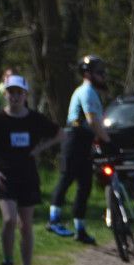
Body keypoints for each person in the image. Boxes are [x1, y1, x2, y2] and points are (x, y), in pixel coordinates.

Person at [0, 75, 60, 265]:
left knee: (26, 225)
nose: (15, 97)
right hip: (5, 177)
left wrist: (39, 149)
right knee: (9, 220)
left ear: (25, 95)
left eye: (19, 93)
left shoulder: (35, 119)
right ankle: (7, 263)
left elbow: (60, 134)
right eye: (11, 92)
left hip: (28, 176)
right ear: (5, 95)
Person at [47, 55, 111, 243]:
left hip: (84, 140)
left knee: (85, 185)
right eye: (99, 72)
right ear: (87, 74)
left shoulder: (93, 92)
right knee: (66, 178)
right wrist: (107, 140)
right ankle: (53, 220)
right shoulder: (86, 91)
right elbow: (91, 120)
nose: (103, 75)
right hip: (75, 138)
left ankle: (80, 229)